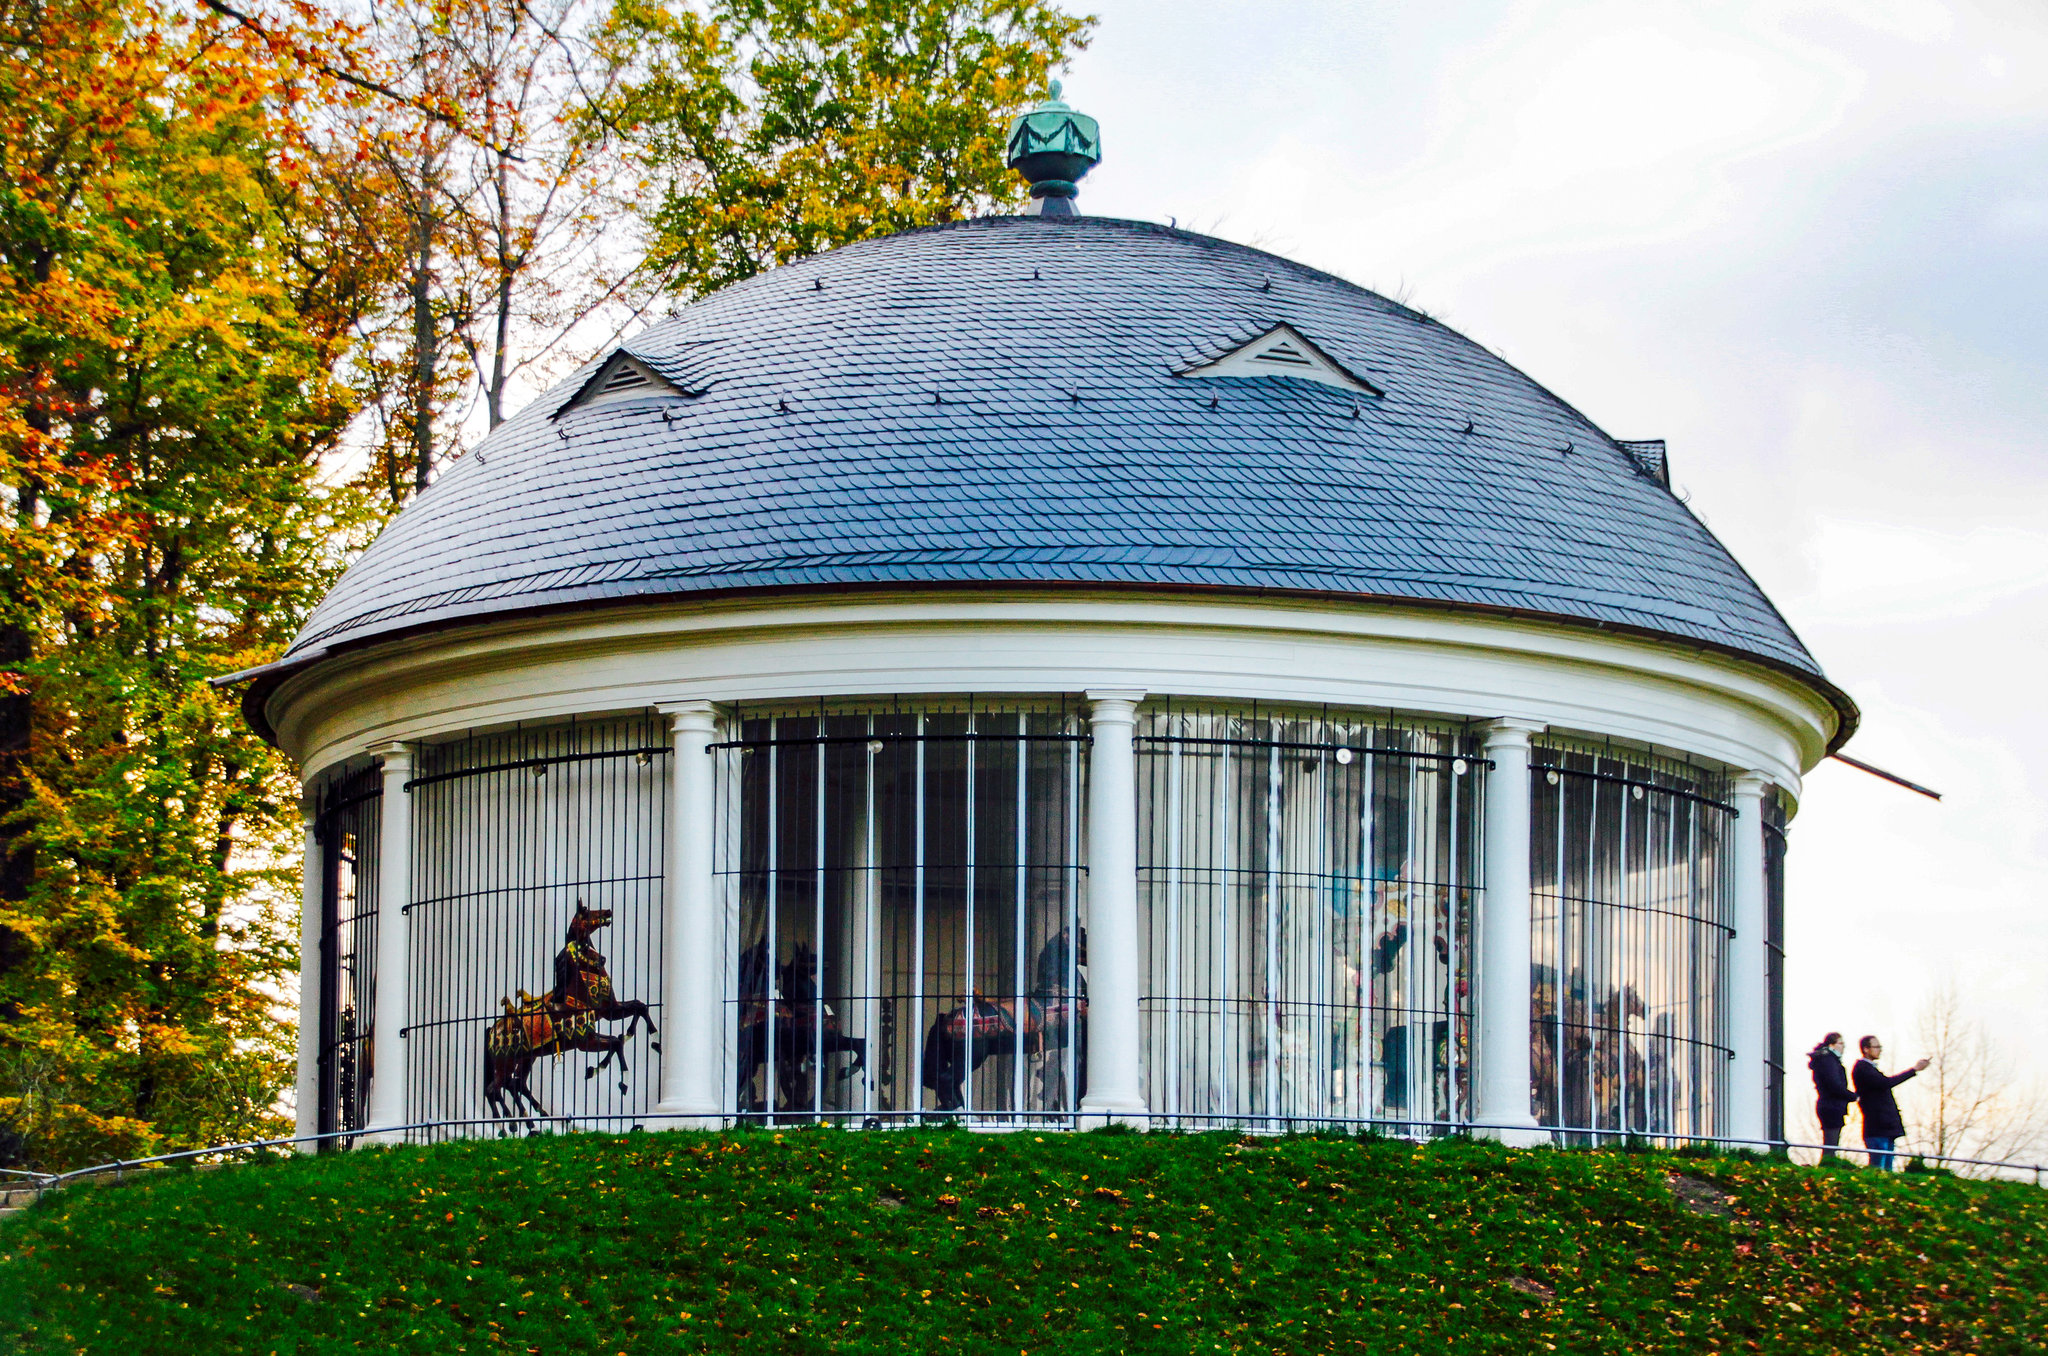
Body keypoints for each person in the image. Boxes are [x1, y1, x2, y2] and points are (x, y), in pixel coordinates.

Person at [1851, 1035, 1931, 1171]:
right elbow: (1885, 1083)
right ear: (1866, 1049)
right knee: (1878, 1169)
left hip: (1886, 1127)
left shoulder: (1870, 1069)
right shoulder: (1863, 1069)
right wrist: (1914, 1070)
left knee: (1887, 1169)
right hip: (1877, 1126)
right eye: (1876, 1047)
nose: (1880, 1050)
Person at [1806, 1032, 1856, 1160]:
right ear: (1832, 1045)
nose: (1843, 1047)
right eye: (1841, 1044)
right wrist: (1852, 1096)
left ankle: (1828, 1164)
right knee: (1831, 1144)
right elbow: (1834, 1084)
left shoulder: (1826, 1060)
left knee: (1831, 1142)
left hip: (1829, 1105)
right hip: (1832, 1106)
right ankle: (1827, 1166)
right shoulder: (1828, 1060)